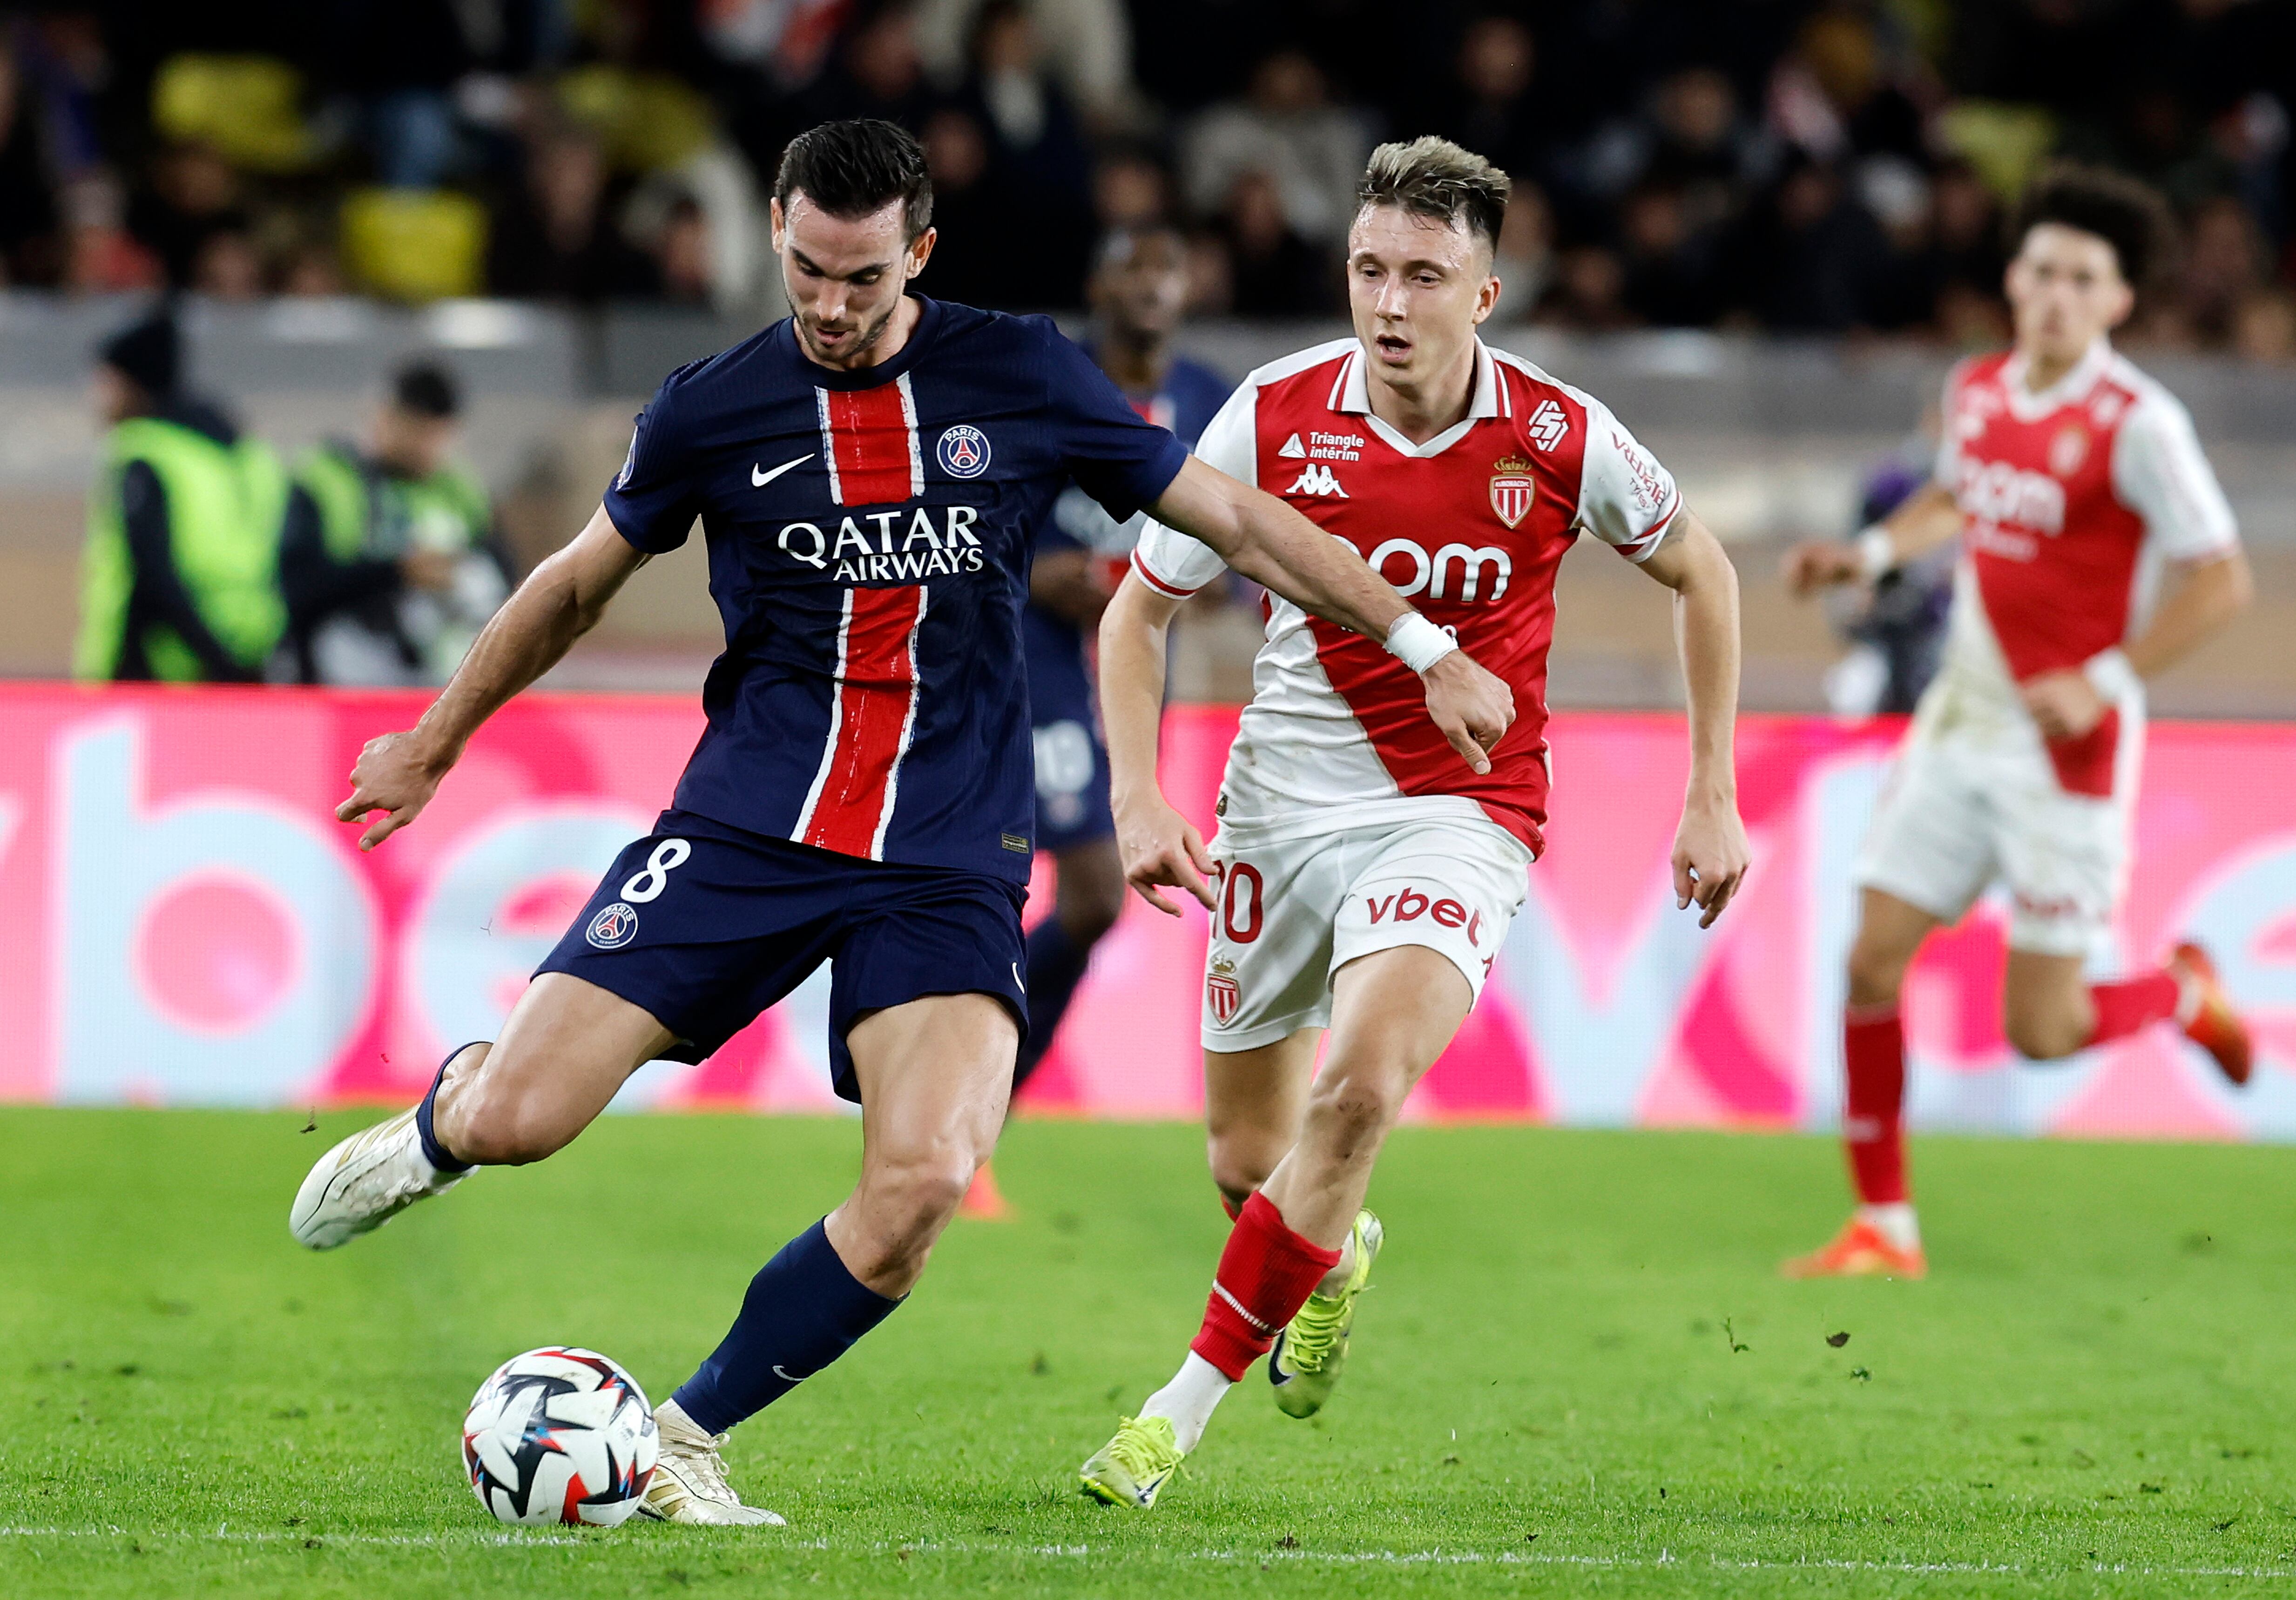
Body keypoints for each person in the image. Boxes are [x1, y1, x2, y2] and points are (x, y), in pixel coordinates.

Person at [286, 118, 1513, 1526]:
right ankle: (451, 1113)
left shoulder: (1018, 372)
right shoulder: (714, 407)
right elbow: (575, 584)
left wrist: (1423, 646)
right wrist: (436, 741)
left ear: (917, 255)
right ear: (774, 235)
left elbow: (1231, 518)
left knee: (927, 1179)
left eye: (861, 279)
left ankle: (685, 1436)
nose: (827, 304)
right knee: (522, 1120)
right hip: (750, 825)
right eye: (806, 268)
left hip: (943, 854)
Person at [1074, 136, 1751, 1510]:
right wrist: (1138, 792)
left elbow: (1701, 568)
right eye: (1368, 270)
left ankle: (1169, 1418)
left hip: (1462, 810)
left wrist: (1712, 790)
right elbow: (1137, 608)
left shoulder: (1557, 435)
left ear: (1485, 294)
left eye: (1424, 276)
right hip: (1277, 807)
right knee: (1246, 1165)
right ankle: (1332, 1254)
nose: (1388, 304)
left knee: (1359, 1091)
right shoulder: (1269, 415)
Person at [1780, 165, 2255, 1281]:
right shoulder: (1978, 388)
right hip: (1961, 725)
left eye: (2081, 279)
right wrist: (1874, 553)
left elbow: (2221, 580)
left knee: (2043, 1033)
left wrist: (2106, 674)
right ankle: (1883, 1229)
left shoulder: (2139, 425)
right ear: (2011, 277)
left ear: (2118, 302)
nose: (2053, 294)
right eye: (2040, 269)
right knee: (1870, 962)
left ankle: (2183, 991)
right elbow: (1957, 493)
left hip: (2066, 752)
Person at [1017, 223, 1232, 1087]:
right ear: (1098, 289)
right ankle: (974, 1090)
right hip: (1034, 656)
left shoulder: (1211, 402)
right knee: (1094, 887)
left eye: (1167, 267)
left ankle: (980, 1097)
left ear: (1189, 287)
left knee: (1090, 901)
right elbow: (987, 519)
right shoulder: (1053, 380)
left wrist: (1160, 584)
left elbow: (1232, 557)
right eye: (1131, 269)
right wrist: (1036, 572)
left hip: (1138, 667)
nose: (1150, 284)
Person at [74, 308, 286, 684]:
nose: (97, 397)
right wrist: (235, 665)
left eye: (106, 382)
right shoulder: (245, 453)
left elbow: (153, 574)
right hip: (249, 650)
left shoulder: (143, 453)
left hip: (158, 669)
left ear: (133, 384)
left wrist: (213, 657)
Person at [279, 361, 511, 686]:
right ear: (383, 415)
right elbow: (299, 589)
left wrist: (461, 575)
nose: (426, 446)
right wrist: (397, 573)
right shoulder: (326, 480)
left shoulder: (460, 491)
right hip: (339, 687)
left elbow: (507, 582)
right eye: (416, 430)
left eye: (438, 434)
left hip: (437, 689)